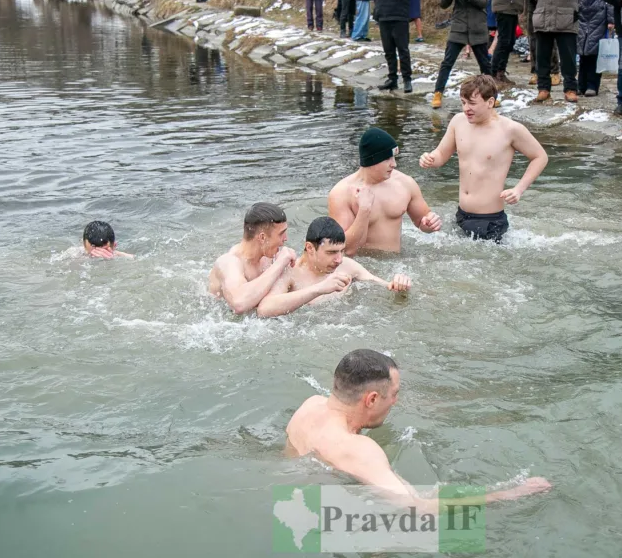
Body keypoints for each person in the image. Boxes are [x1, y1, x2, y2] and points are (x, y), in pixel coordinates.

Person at [285, 349, 554, 508]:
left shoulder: (310, 406)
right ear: (372, 399)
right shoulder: (360, 450)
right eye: (394, 394)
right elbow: (416, 509)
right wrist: (510, 494)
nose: (395, 401)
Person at [419, 75, 548, 242]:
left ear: (490, 102)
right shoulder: (458, 122)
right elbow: (441, 155)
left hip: (490, 221)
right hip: (461, 215)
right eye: (463, 102)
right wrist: (429, 158)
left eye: (472, 103)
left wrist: (518, 189)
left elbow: (540, 157)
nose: (466, 109)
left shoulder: (510, 129)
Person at [257, 218, 411, 318]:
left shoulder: (347, 266)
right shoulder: (290, 272)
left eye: (341, 251)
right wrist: (320, 289)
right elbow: (264, 309)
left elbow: (383, 286)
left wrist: (399, 285)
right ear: (310, 248)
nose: (339, 259)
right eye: (331, 253)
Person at [328, 127, 442, 254]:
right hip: (362, 264)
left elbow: (422, 220)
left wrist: (430, 224)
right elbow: (345, 249)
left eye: (393, 157)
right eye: (387, 158)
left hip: (398, 261)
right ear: (372, 160)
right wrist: (364, 211)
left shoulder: (405, 183)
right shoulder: (341, 193)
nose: (394, 164)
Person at [208, 203, 297, 314]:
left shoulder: (268, 258)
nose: (286, 238)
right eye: (281, 234)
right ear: (262, 237)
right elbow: (239, 304)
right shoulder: (229, 262)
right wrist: (280, 263)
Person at [431, 0, 492, 108]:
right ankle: (438, 93)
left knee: (485, 65)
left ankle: (492, 95)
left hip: (478, 26)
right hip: (458, 26)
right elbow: (443, 4)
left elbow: (483, 1)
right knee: (447, 62)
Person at [528, 0, 585, 103]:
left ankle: (570, 89)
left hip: (566, 20)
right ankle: (543, 89)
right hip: (543, 18)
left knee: (568, 58)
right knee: (542, 57)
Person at [370, 0, 415, 92]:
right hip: (383, 16)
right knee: (388, 50)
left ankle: (407, 79)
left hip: (399, 16)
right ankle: (392, 78)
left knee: (403, 49)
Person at [577, 0, 612, 97]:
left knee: (594, 53)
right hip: (582, 18)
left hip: (598, 18)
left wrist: (610, 19)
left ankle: (592, 85)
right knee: (582, 53)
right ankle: (581, 84)